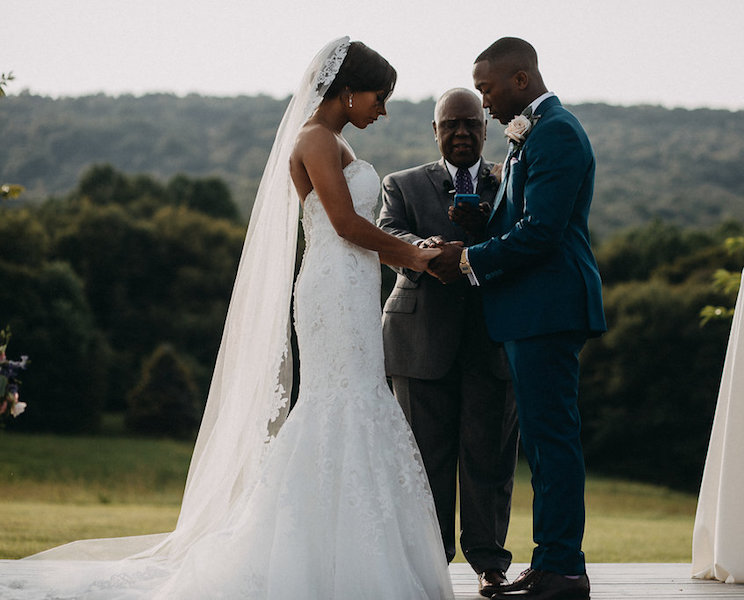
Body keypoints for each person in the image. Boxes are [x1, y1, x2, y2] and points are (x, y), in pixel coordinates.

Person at [0, 37, 453, 600]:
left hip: (353, 289)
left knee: (357, 400)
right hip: (330, 295)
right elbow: (341, 224)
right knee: (339, 403)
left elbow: (363, 235)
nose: (382, 110)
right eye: (378, 97)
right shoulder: (314, 139)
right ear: (346, 90)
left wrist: (416, 252)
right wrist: (409, 254)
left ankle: (339, 551)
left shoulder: (333, 141)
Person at [429, 37, 607, 600]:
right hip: (533, 310)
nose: (483, 105)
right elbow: (523, 217)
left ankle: (563, 570)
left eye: (486, 90)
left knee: (552, 441)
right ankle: (553, 561)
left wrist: (467, 259)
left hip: (547, 309)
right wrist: (488, 214)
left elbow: (542, 232)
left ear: (521, 80)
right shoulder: (533, 132)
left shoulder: (554, 131)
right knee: (543, 440)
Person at [378, 87, 519, 597]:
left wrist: (484, 235)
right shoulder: (403, 184)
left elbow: (526, 241)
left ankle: (490, 564)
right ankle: (428, 565)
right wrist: (426, 251)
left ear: (486, 128)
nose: (461, 133)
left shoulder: (511, 181)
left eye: (470, 124)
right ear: (434, 131)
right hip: (419, 340)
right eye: (450, 125)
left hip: (493, 338)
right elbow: (386, 233)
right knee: (424, 460)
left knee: (490, 458)